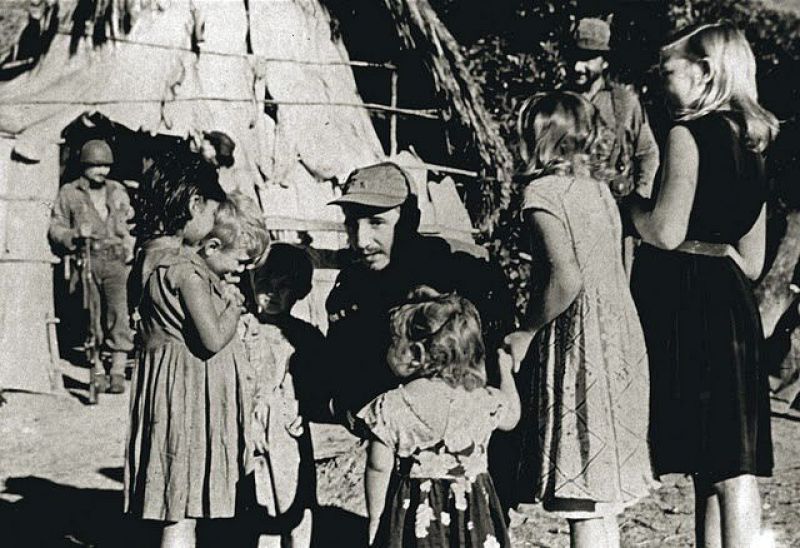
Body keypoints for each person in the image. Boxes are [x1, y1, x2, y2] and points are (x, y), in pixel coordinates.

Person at [627, 22, 777, 548]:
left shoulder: (686, 135)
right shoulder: (756, 142)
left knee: (720, 471)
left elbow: (665, 231)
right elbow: (753, 260)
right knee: (725, 466)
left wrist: (631, 209)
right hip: (733, 301)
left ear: (704, 72)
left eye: (668, 71)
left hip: (691, 305)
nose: (660, 82)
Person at [505, 91, 654, 548]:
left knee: (582, 494)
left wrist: (526, 331)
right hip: (619, 337)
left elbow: (566, 278)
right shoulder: (600, 191)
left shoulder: (542, 192)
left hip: (580, 341)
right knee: (602, 492)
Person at [325, 162, 514, 432]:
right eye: (352, 224)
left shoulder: (457, 273)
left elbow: (489, 361)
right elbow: (343, 366)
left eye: (376, 223)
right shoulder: (352, 283)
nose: (361, 240)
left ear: (410, 220)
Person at [124, 155, 249, 548]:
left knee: (171, 493)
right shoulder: (186, 269)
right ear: (195, 204)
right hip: (188, 393)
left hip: (161, 385)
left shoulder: (145, 259)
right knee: (183, 505)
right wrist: (232, 304)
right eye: (212, 211)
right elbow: (211, 339)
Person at [358, 286, 520, 547]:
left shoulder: (392, 405)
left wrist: (375, 518)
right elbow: (512, 416)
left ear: (418, 355)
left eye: (394, 341)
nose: (388, 348)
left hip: (416, 520)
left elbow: (378, 466)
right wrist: (505, 371)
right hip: (472, 518)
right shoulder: (482, 399)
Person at [240, 243, 322, 548]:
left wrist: (306, 408)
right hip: (256, 430)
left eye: (283, 287)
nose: (272, 294)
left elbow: (317, 384)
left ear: (298, 291)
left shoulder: (305, 335)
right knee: (261, 500)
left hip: (289, 431)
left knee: (297, 497)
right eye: (264, 285)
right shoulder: (243, 331)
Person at [48, 138, 134, 394]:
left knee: (119, 315)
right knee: (91, 319)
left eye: (106, 166)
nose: (101, 171)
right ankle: (96, 371)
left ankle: (117, 371)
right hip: (87, 260)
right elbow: (56, 227)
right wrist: (74, 234)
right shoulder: (69, 192)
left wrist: (128, 234)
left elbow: (128, 221)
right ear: (84, 165)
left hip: (116, 261)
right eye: (95, 165)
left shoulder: (117, 190)